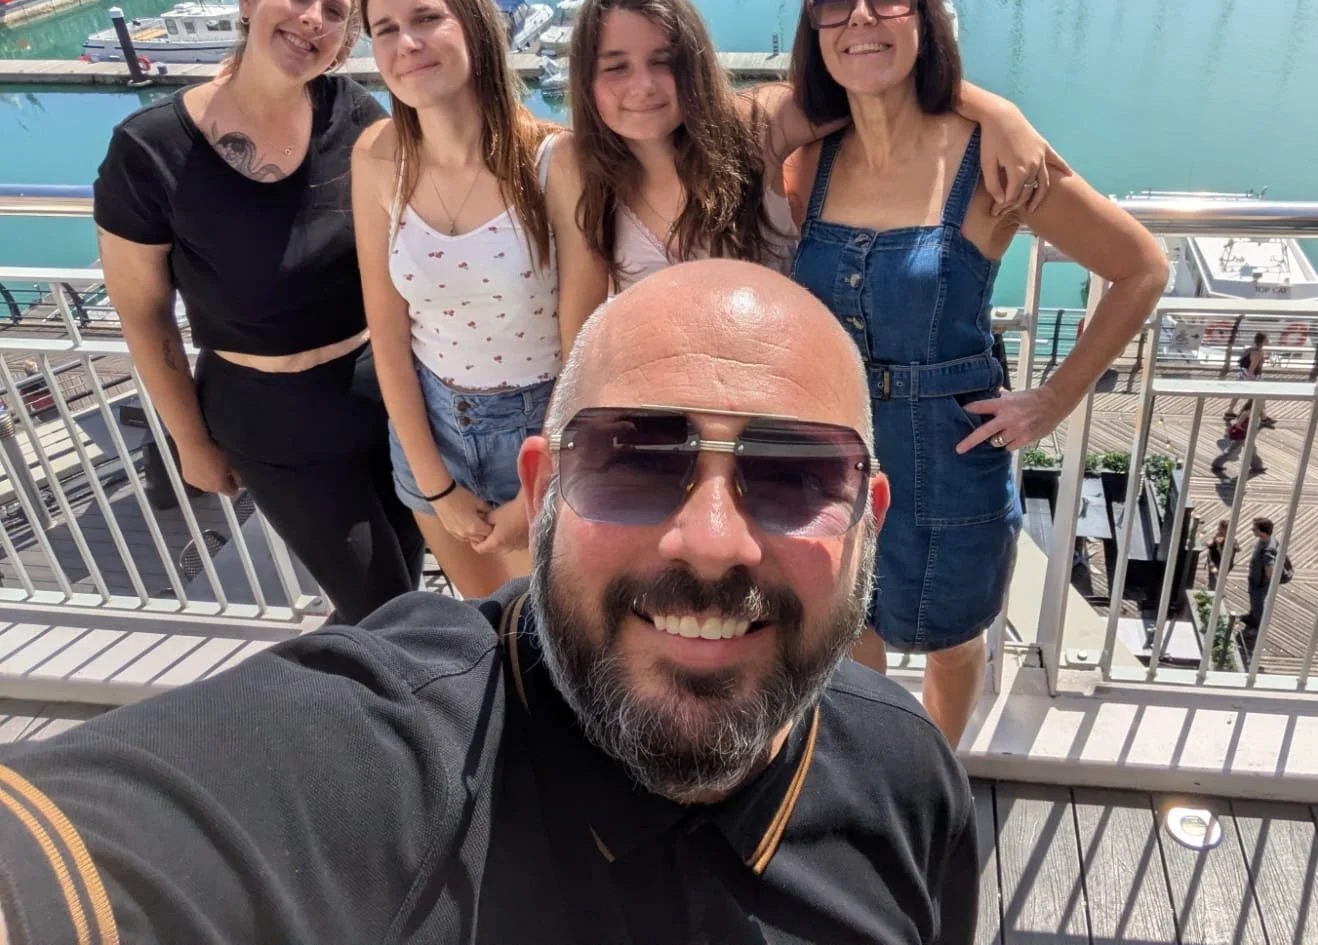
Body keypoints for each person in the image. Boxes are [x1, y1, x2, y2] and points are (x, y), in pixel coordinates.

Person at [0, 261, 978, 945]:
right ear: (541, 492)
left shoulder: (907, 778)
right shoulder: (389, 761)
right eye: (635, 458)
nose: (712, 539)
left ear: (866, 518)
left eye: (794, 474)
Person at [786, 0, 1170, 745]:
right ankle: (874, 784)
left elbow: (1141, 267)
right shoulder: (806, 163)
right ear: (814, 31)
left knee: (953, 639)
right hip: (836, 447)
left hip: (949, 452)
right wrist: (993, 100)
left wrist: (1055, 399)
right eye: (834, 3)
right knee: (852, 632)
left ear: (923, 17)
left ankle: (938, 779)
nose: (861, 17)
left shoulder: (989, 161)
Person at [92, 0, 423, 624]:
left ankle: (358, 701)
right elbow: (144, 313)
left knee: (405, 576)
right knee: (384, 603)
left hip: (382, 395)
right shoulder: (148, 151)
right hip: (270, 421)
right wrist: (189, 442)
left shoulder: (352, 114)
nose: (313, 19)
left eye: (335, 12)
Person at [353, 0, 607, 597]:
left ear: (473, 21)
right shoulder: (377, 157)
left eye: (427, 17)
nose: (407, 42)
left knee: (553, 633)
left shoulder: (558, 162)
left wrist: (543, 475)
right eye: (385, 29)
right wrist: (434, 481)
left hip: (539, 426)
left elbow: (583, 345)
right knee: (484, 628)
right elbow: (387, 333)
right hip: (428, 429)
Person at [558, 0, 1056, 292]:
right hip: (670, 426)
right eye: (615, 67)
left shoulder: (752, 129)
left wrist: (995, 111)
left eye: (663, 60)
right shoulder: (587, 174)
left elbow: (860, 82)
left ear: (694, 63)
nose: (642, 85)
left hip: (780, 414)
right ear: (587, 80)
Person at [1243, 516, 1290, 640]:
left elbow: (1270, 571)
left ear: (1262, 532)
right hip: (1256, 577)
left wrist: (1263, 580)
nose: (1252, 530)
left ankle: (1257, 628)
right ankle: (1251, 617)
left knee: (1258, 603)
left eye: (1255, 529)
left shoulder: (1267, 551)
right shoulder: (1269, 539)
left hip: (1259, 582)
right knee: (1254, 601)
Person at [1225, 332, 1269, 419]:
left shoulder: (1252, 349)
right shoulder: (1257, 352)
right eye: (1267, 339)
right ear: (1263, 341)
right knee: (1260, 395)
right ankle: (1263, 417)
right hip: (1252, 375)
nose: (1268, 341)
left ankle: (1229, 411)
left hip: (1244, 374)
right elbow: (1252, 366)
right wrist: (1250, 379)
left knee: (1238, 393)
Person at [1206, 517, 1229, 589]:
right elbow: (1212, 545)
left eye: (1220, 528)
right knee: (1213, 574)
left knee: (1215, 575)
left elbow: (1221, 552)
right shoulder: (1220, 535)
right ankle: (1213, 587)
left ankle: (1213, 589)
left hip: (1217, 561)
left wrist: (1218, 547)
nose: (1219, 530)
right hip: (1213, 559)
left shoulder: (1224, 538)